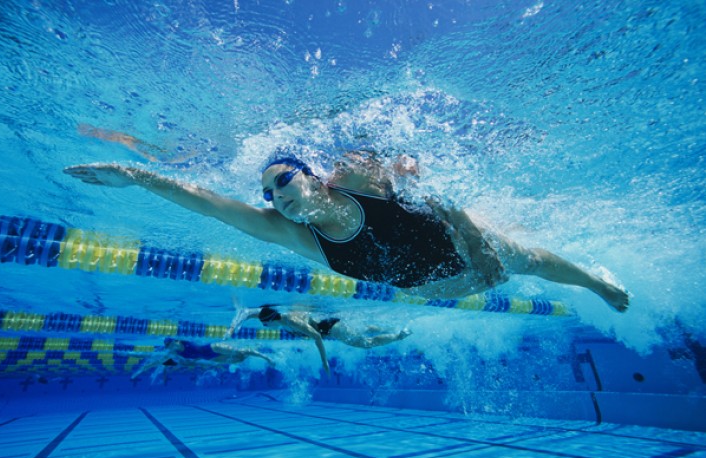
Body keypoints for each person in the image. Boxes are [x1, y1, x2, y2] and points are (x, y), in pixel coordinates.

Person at [64, 129, 630, 311]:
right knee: (522, 265)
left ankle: (596, 281)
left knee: (529, 261)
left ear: (312, 177)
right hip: (445, 284)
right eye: (266, 191)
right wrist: (138, 177)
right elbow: (209, 204)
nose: (275, 195)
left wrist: (477, 244)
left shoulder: (362, 181)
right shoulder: (292, 232)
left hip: (464, 247)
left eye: (282, 180)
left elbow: (432, 186)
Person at [225, 305, 412, 373]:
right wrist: (233, 326)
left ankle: (399, 335)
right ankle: (394, 327)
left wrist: (325, 361)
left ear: (270, 321)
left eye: (265, 324)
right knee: (364, 328)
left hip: (332, 328)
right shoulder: (277, 317)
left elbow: (316, 337)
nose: (266, 327)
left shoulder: (291, 320)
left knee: (366, 343)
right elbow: (250, 313)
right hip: (331, 324)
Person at [121, 338, 274, 384]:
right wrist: (138, 372)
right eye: (169, 347)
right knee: (240, 359)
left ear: (175, 341)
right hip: (211, 357)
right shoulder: (173, 353)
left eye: (171, 344)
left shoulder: (185, 341)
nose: (171, 348)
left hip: (213, 347)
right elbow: (154, 363)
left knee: (240, 352)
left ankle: (266, 356)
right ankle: (254, 345)